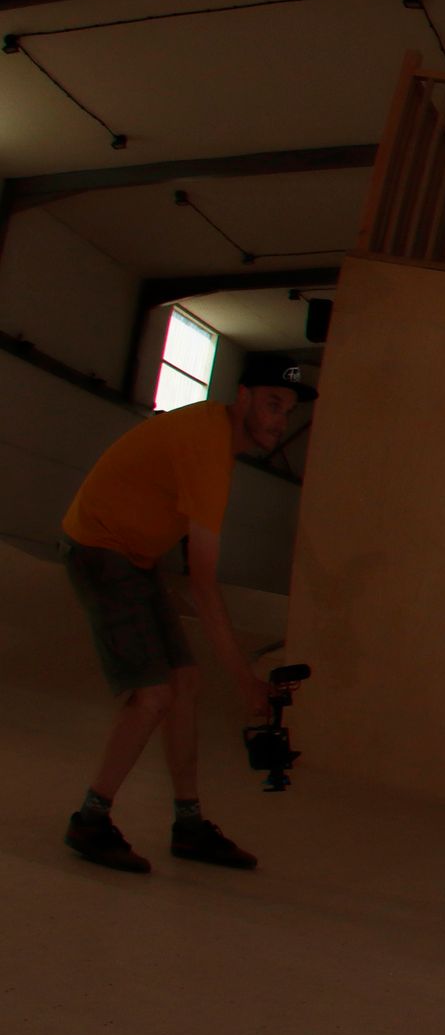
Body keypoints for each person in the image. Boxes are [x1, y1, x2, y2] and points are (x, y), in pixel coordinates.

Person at [59, 353, 317, 873]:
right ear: (242, 397)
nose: (279, 420)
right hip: (100, 548)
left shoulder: (215, 442)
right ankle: (90, 818)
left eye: (287, 411)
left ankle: (189, 825)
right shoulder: (208, 445)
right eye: (272, 404)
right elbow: (202, 582)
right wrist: (246, 682)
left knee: (184, 682)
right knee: (152, 695)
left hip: (136, 558)